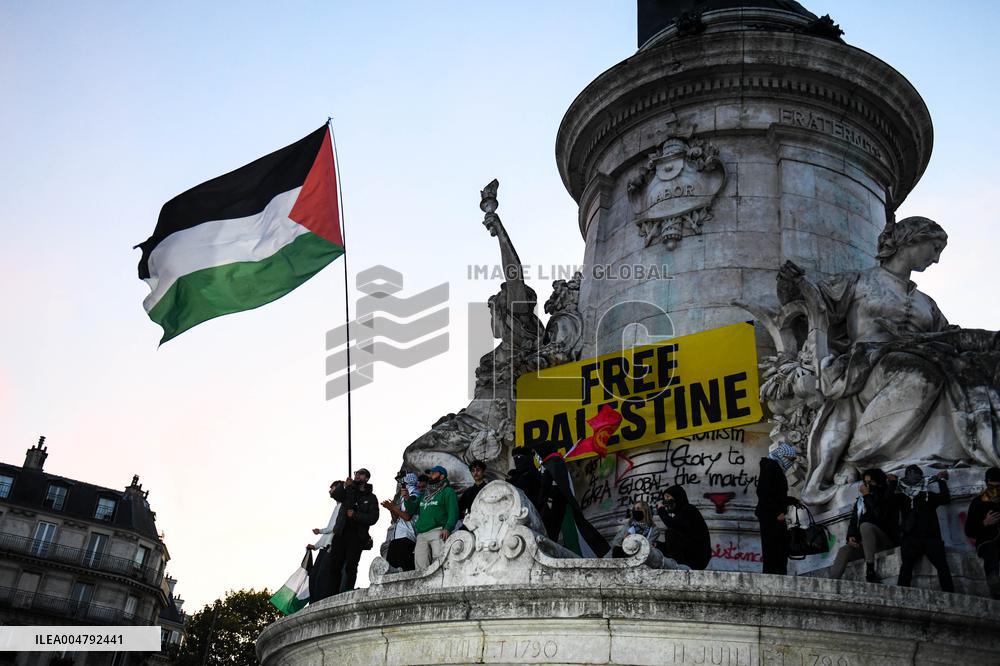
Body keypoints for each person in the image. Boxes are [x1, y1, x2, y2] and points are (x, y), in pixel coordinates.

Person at [799, 216, 1000, 506]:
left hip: (922, 359)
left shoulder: (926, 303)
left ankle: (966, 452)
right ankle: (858, 456)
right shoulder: (857, 282)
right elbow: (814, 306)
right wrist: (794, 285)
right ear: (910, 241)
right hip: (867, 368)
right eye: (934, 249)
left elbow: (948, 336)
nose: (937, 259)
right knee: (921, 375)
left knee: (973, 375)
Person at [829, 469, 898, 582]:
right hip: (866, 544)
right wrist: (850, 536)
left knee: (866, 526)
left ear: (878, 482)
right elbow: (854, 520)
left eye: (870, 482)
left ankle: (870, 571)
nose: (867, 485)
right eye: (865, 482)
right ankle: (832, 582)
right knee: (844, 550)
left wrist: (867, 496)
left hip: (884, 540)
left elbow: (879, 514)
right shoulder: (861, 501)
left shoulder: (885, 494)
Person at [892, 465, 953, 592]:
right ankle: (902, 596)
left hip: (931, 538)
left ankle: (950, 595)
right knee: (906, 568)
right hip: (910, 538)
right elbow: (887, 501)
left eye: (916, 474)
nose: (913, 477)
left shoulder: (928, 495)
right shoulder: (902, 497)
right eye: (910, 474)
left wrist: (942, 481)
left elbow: (945, 498)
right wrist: (892, 483)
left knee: (942, 567)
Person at [328, 468, 379, 594]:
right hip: (341, 533)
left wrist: (355, 515)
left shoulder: (371, 497)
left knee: (351, 566)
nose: (357, 475)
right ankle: (332, 594)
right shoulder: (348, 490)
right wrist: (345, 486)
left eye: (361, 474)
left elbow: (373, 518)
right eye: (357, 473)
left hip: (357, 536)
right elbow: (335, 495)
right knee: (335, 565)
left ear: (366, 479)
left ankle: (348, 591)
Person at [756, 443, 800, 575]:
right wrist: (777, 513)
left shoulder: (774, 467)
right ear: (781, 455)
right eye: (790, 459)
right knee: (774, 548)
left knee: (778, 547)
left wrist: (791, 500)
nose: (790, 463)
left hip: (771, 515)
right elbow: (763, 493)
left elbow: (775, 495)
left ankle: (777, 572)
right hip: (771, 517)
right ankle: (775, 574)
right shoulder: (771, 467)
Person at [404, 465, 459, 570]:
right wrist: (407, 498)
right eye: (430, 473)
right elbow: (412, 510)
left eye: (434, 473)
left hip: (438, 531)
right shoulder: (424, 494)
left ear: (442, 476)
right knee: (420, 566)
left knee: (439, 565)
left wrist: (448, 527)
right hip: (421, 534)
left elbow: (453, 512)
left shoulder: (448, 491)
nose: (431, 475)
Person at [655, 485, 712, 570]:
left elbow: (672, 525)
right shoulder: (679, 514)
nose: (665, 501)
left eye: (668, 497)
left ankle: (677, 566)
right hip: (690, 553)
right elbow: (676, 543)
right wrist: (657, 545)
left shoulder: (689, 510)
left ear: (677, 496)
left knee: (670, 533)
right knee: (658, 546)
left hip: (698, 557)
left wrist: (661, 510)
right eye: (664, 498)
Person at [965, 467, 1000, 599]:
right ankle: (995, 588)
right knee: (991, 552)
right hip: (986, 541)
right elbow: (969, 531)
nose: (995, 491)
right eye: (991, 486)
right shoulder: (978, 502)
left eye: (998, 487)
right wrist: (985, 523)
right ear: (986, 483)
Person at [307, 480, 344, 603]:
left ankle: (320, 601)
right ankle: (314, 602)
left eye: (333, 488)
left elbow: (333, 529)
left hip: (331, 546)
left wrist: (321, 531)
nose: (330, 491)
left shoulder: (342, 506)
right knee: (314, 576)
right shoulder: (337, 506)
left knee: (322, 577)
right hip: (325, 546)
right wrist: (316, 545)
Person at [379, 472, 420, 572]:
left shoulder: (414, 493)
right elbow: (396, 518)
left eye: (401, 480)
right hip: (397, 536)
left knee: (405, 569)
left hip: (407, 536)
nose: (399, 482)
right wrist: (391, 509)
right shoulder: (403, 495)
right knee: (392, 568)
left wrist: (393, 507)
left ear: (408, 481)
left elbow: (407, 516)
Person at [506, 447, 543, 511]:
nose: (516, 459)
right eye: (515, 457)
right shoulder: (517, 473)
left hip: (533, 507)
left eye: (519, 456)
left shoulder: (531, 472)